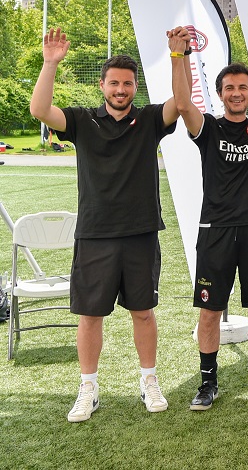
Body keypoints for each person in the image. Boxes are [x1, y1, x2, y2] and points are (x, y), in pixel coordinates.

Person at [30, 27, 179, 422]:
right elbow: (40, 110)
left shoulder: (149, 119)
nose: (120, 89)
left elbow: (180, 103)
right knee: (90, 316)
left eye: (127, 83)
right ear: (102, 86)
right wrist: (50, 64)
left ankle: (149, 380)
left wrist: (178, 57)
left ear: (135, 87)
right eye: (114, 83)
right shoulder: (82, 120)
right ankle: (88, 388)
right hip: (95, 233)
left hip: (140, 233)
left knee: (143, 313)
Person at [169, 27, 248, 411]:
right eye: (229, 88)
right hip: (216, 232)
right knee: (210, 311)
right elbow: (182, 103)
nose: (236, 93)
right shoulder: (208, 128)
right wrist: (179, 56)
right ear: (221, 93)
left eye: (243, 87)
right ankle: (207, 383)